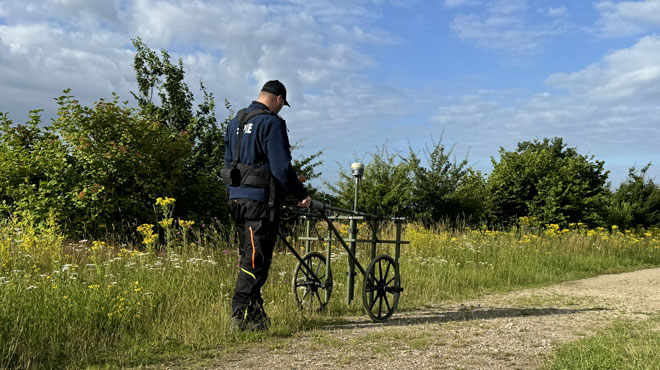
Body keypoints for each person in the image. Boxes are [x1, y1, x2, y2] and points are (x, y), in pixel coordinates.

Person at [223, 80, 312, 331]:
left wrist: (234, 193)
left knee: (249, 256)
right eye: (283, 105)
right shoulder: (271, 123)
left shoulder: (235, 122)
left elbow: (229, 163)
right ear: (279, 100)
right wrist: (300, 194)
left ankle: (258, 318)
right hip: (260, 203)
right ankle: (239, 316)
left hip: (236, 200)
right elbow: (282, 168)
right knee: (256, 260)